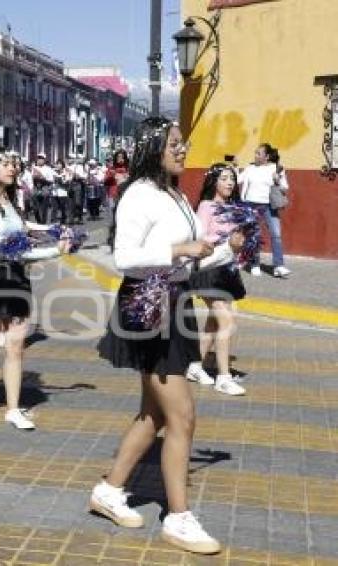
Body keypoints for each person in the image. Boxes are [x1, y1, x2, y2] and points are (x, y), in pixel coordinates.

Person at [93, 117, 243, 555]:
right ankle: (177, 518)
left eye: (183, 143)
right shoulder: (139, 193)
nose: (182, 149)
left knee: (155, 415)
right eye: (174, 143)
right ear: (154, 146)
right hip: (148, 307)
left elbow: (189, 260)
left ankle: (109, 490)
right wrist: (178, 249)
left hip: (174, 302)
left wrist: (223, 248)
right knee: (182, 417)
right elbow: (124, 257)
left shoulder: (174, 192)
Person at [0, 152, 70, 430]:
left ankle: (12, 409)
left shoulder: (14, 202)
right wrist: (8, 241)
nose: (13, 169)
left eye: (15, 166)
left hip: (17, 278)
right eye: (7, 165)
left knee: (16, 346)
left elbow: (24, 248)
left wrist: (56, 247)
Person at [188, 164, 247, 396]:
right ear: (213, 182)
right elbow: (200, 240)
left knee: (215, 322)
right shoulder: (206, 206)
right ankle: (223, 377)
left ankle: (195, 365)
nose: (230, 183)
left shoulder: (233, 208)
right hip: (209, 269)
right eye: (224, 178)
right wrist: (224, 244)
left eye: (232, 179)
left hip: (226, 270)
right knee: (226, 321)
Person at [238, 143, 290, 277]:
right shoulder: (250, 168)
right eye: (255, 153)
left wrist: (277, 179)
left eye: (258, 153)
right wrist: (235, 168)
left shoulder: (276, 168)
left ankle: (279, 266)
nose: (255, 155)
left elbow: (285, 188)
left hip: (268, 206)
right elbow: (238, 180)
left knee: (276, 234)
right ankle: (255, 264)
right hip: (251, 204)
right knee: (254, 235)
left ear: (266, 157)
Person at [31, 153, 54, 224]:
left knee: (44, 207)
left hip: (45, 187)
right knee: (35, 207)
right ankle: (38, 221)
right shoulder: (34, 168)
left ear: (44, 160)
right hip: (36, 187)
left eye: (41, 159)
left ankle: (43, 222)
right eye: (38, 159)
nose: (39, 160)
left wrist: (43, 178)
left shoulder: (48, 169)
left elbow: (51, 180)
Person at [51, 159, 72, 225]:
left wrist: (62, 181)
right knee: (54, 207)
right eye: (57, 164)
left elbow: (68, 180)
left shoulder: (65, 172)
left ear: (62, 165)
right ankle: (53, 221)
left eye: (60, 164)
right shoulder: (53, 171)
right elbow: (50, 179)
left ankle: (63, 220)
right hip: (55, 192)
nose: (58, 165)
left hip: (62, 192)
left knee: (63, 208)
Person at [68, 158, 88, 224]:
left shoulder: (84, 167)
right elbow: (67, 176)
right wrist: (71, 176)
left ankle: (79, 217)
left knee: (78, 203)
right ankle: (71, 219)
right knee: (71, 202)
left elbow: (85, 177)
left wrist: (79, 176)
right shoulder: (71, 167)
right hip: (71, 185)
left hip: (80, 185)